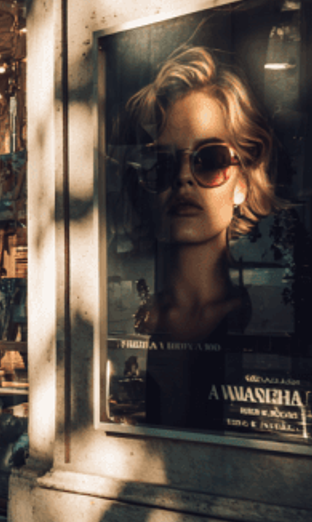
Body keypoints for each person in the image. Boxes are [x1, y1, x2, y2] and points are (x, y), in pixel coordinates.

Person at [118, 45, 283, 428]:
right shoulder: (131, 319)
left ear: (242, 181)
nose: (183, 178)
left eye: (209, 159)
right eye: (163, 162)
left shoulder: (263, 319)